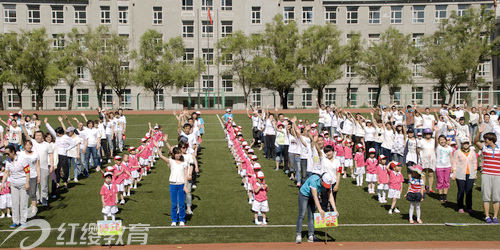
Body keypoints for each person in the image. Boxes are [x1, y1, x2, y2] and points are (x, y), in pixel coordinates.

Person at [295, 173, 337, 244]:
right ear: (321, 180)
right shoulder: (313, 180)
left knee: (311, 215)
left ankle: (311, 235)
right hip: (304, 195)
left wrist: (335, 209)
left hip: (313, 197)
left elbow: (330, 196)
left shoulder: (329, 184)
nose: (326, 186)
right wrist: (320, 210)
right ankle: (298, 234)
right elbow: (315, 197)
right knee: (302, 214)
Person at [20, 121, 54, 207]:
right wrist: (22, 125)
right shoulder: (33, 142)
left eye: (39, 135)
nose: (38, 137)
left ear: (42, 136)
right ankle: (36, 199)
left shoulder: (47, 145)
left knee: (44, 185)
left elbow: (51, 155)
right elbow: (26, 135)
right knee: (34, 185)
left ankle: (44, 199)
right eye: (36, 136)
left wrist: (52, 165)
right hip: (33, 168)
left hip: (44, 167)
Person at [473, 126, 500, 224]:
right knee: (486, 196)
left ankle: (495, 217)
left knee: (497, 197)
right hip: (486, 174)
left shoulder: (499, 149)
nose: (484, 141)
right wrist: (479, 132)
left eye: (486, 139)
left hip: (497, 175)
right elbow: (475, 141)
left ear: (491, 140)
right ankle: (487, 216)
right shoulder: (484, 148)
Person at [157, 146, 188, 227]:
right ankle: (174, 220)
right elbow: (161, 156)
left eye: (179, 153)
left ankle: (181, 220)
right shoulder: (171, 161)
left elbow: (185, 175)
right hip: (173, 185)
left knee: (181, 204)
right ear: (174, 154)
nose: (178, 155)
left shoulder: (184, 163)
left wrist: (185, 186)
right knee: (174, 204)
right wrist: (157, 147)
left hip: (181, 185)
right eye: (177, 153)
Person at [0, 145, 30, 228]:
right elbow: (6, 172)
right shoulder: (8, 161)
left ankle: (23, 221)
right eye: (5, 154)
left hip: (23, 183)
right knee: (14, 203)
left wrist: (27, 183)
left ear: (13, 152)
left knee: (23, 203)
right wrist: (2, 184)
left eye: (7, 153)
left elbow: (27, 172)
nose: (6, 155)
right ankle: (15, 221)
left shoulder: (22, 159)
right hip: (14, 184)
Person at [45, 118, 78, 191]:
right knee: (56, 169)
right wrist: (46, 123)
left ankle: (65, 182)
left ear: (60, 133)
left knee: (64, 169)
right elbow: (51, 130)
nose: (56, 134)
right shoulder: (57, 137)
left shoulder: (66, 137)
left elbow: (73, 144)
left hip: (63, 155)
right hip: (56, 155)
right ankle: (57, 182)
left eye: (58, 133)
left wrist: (67, 149)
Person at [452, 137, 477, 214]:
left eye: (467, 143)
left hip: (470, 174)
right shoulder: (457, 152)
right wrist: (454, 173)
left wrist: (475, 173)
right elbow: (454, 162)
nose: (466, 145)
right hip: (460, 174)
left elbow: (475, 163)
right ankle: (460, 206)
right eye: (464, 143)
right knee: (461, 191)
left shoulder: (472, 152)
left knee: (469, 191)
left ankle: (469, 207)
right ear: (461, 144)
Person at [17, 141, 40, 218]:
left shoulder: (35, 154)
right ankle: (24, 209)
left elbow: (37, 166)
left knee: (33, 193)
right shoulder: (21, 154)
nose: (29, 146)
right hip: (24, 176)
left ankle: (33, 209)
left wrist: (39, 176)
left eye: (30, 145)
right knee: (24, 194)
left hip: (33, 175)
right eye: (27, 145)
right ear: (24, 146)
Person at [435, 135, 454, 202]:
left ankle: (445, 195)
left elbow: (451, 157)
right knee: (440, 181)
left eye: (443, 139)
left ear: (446, 140)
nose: (442, 141)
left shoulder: (449, 148)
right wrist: (436, 132)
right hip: (439, 166)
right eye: (440, 140)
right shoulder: (438, 147)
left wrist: (452, 167)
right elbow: (435, 141)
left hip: (447, 166)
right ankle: (440, 195)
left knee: (446, 181)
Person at [419, 128, 436, 193]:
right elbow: (419, 150)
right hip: (424, 159)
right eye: (426, 134)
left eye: (429, 134)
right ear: (424, 134)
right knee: (423, 174)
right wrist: (421, 157)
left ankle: (430, 188)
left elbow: (434, 149)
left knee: (430, 174)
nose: (428, 135)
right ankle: (423, 187)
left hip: (431, 159)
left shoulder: (433, 141)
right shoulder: (421, 141)